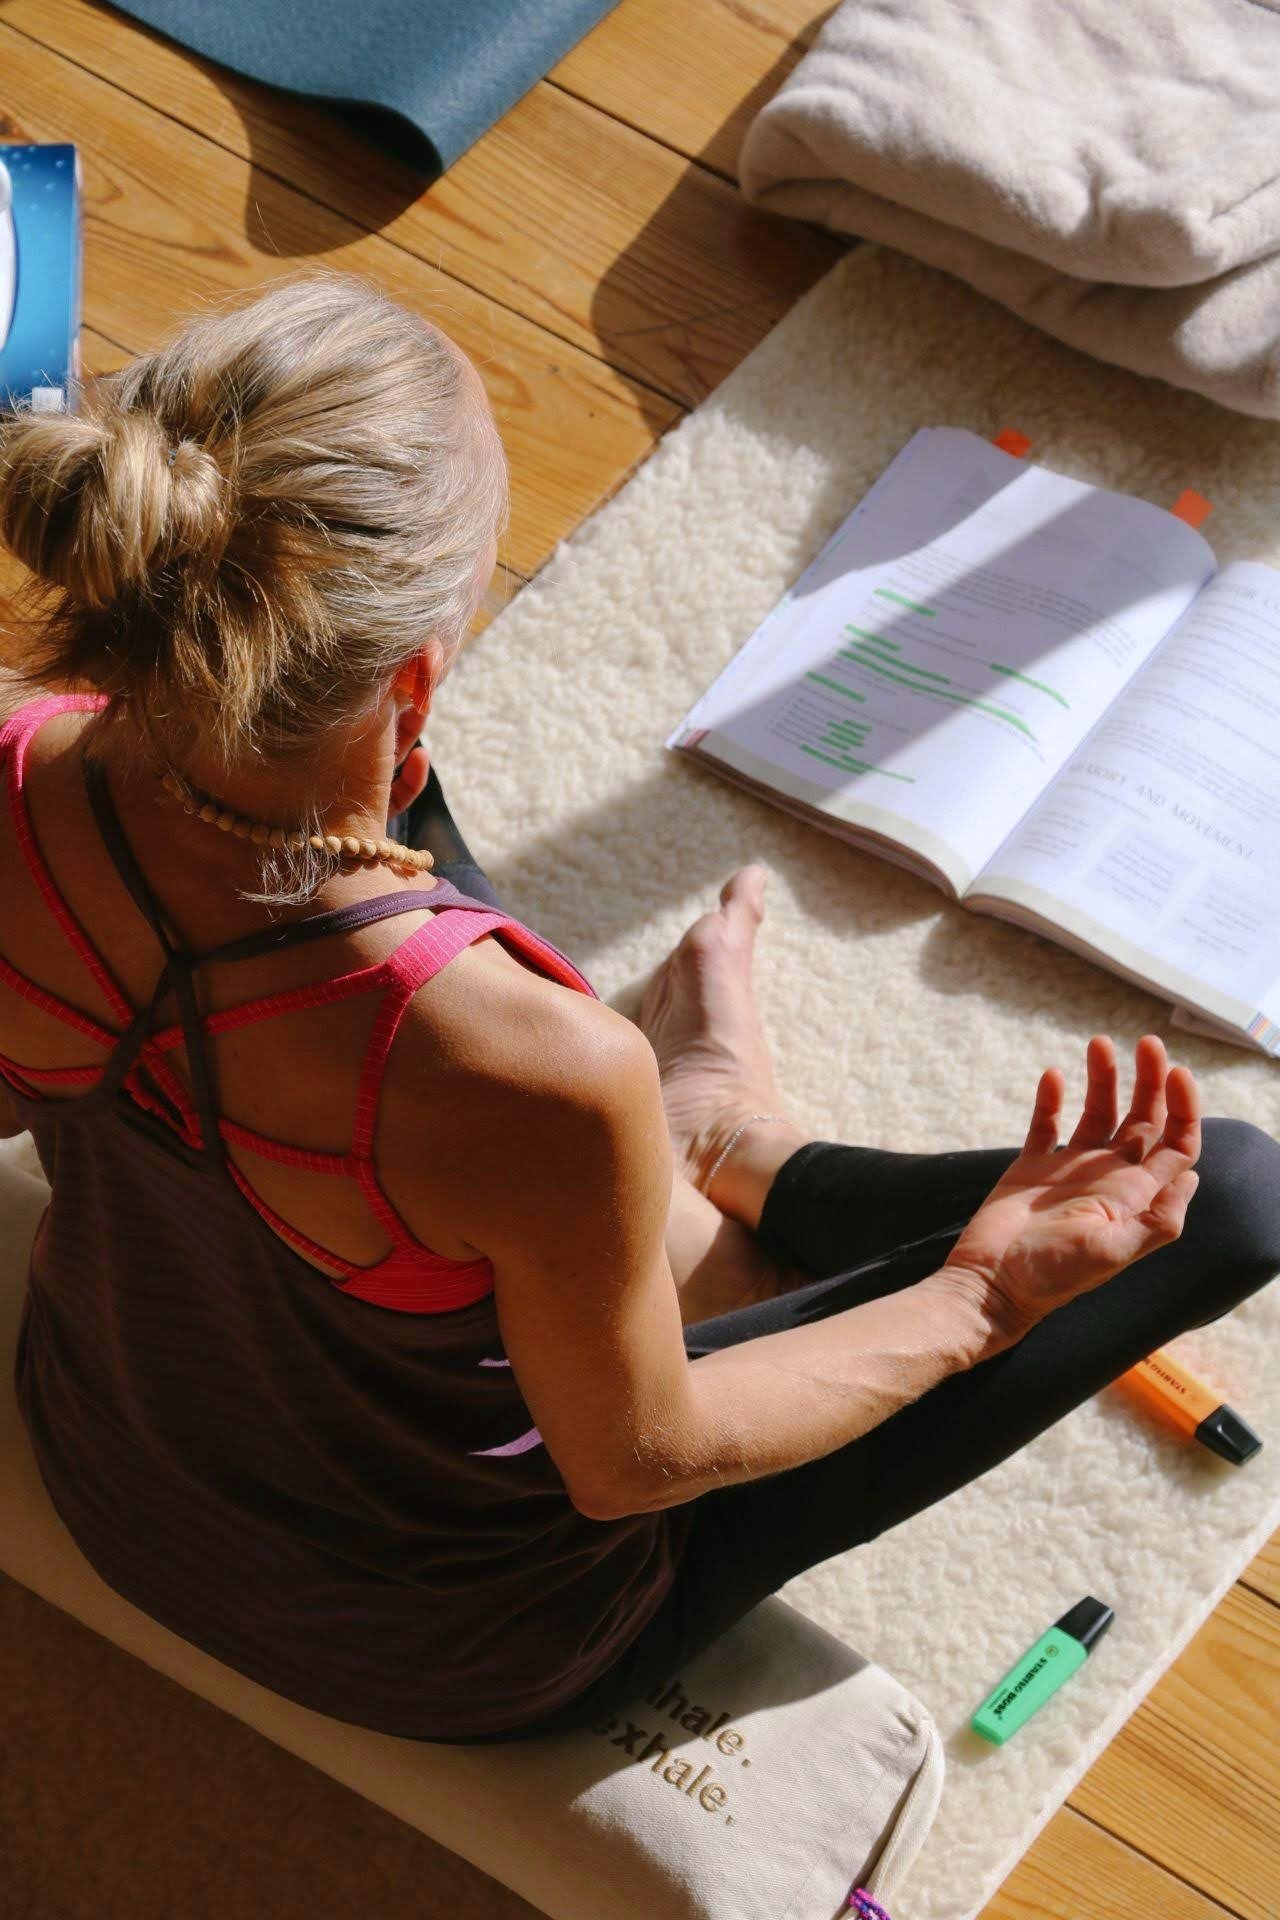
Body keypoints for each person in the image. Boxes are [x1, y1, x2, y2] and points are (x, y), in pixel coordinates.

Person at [0, 270, 1276, 1749]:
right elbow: (640, 1463)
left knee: (350, 815)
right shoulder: (541, 1070)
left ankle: (701, 1154)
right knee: (1225, 1195)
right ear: (419, 667)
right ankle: (732, 1142)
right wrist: (979, 1296)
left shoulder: (21, 769)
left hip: (112, 1469)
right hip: (445, 1647)